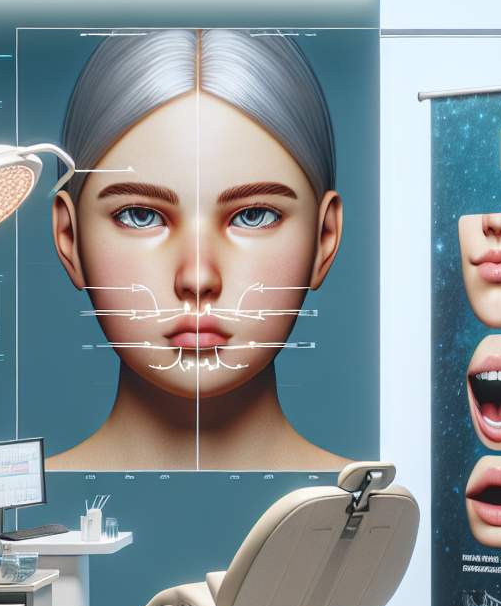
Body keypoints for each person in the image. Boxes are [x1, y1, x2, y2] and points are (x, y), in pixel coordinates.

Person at [47, 29, 348, 471]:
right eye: (140, 216)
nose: (198, 278)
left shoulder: (380, 503)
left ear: (324, 239)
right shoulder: (25, 503)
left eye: (254, 216)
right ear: (69, 238)